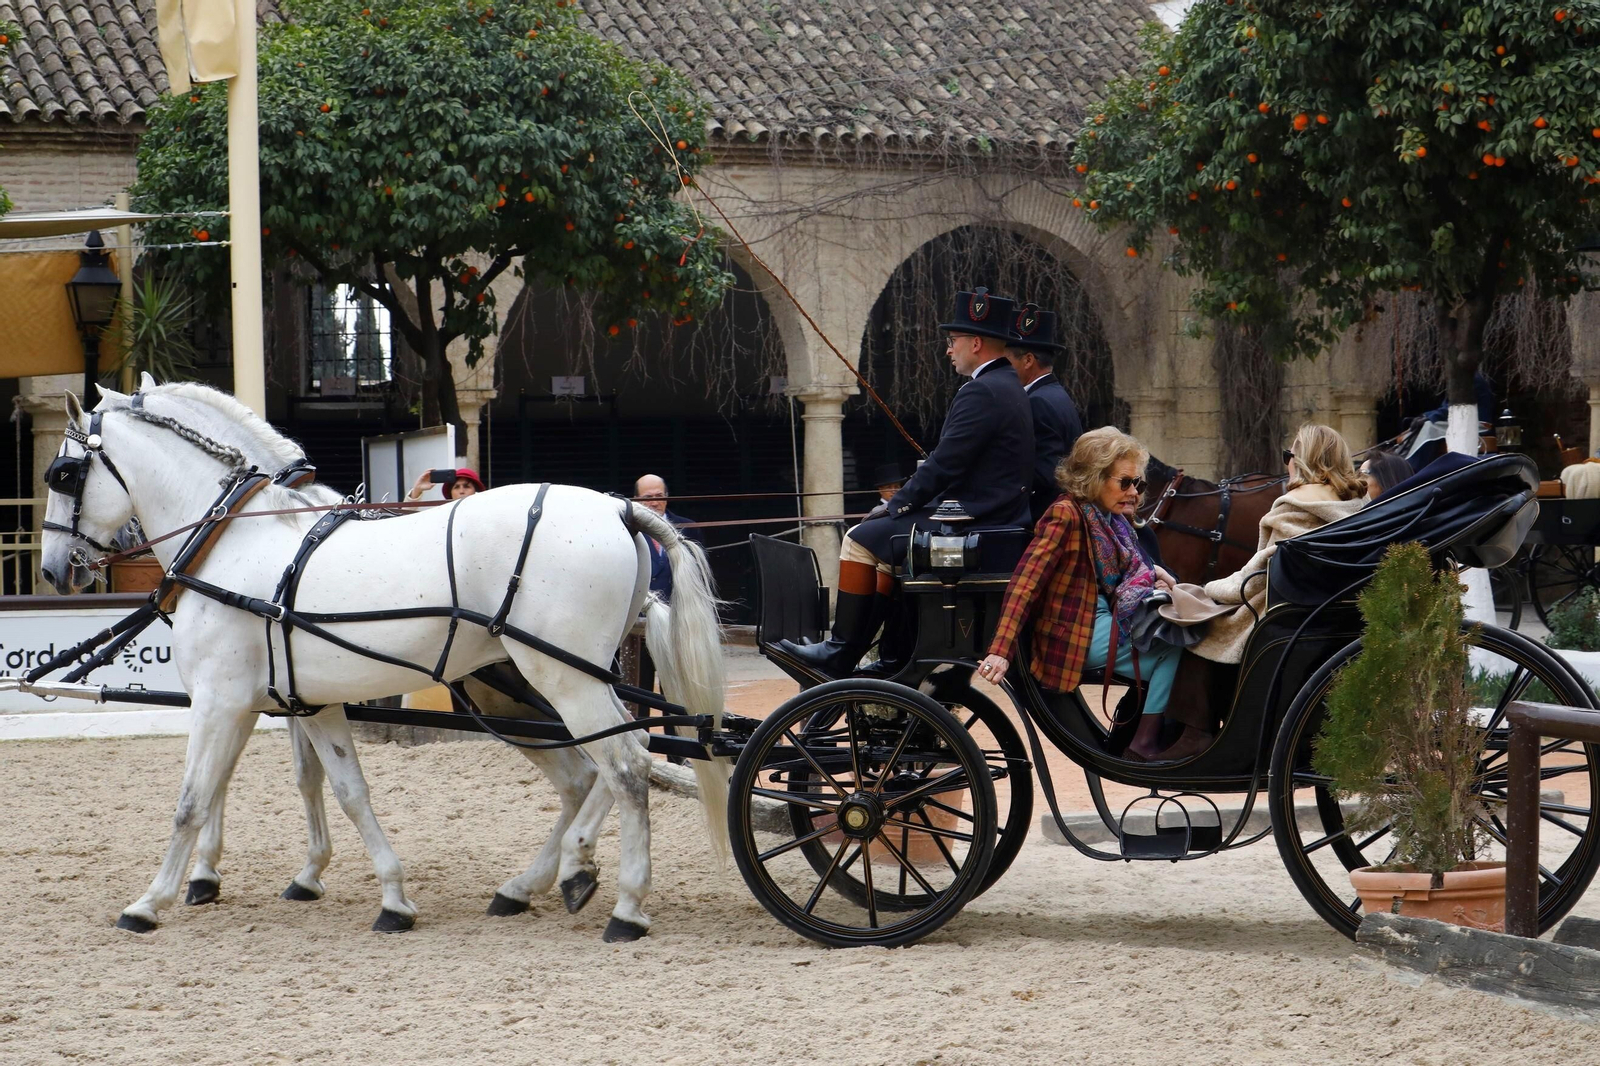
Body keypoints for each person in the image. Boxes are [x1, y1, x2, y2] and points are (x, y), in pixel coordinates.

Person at [777, 286, 1035, 677]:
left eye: (953, 342)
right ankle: (892, 653)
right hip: (990, 517)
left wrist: (897, 504)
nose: (949, 350)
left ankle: (842, 649)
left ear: (976, 343)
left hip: (976, 523)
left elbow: (944, 465)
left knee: (860, 539)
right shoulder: (1008, 386)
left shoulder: (982, 391)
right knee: (886, 544)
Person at [978, 427, 1188, 761]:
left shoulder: (1113, 520)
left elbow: (1130, 574)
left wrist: (1156, 578)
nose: (1134, 492)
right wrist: (1000, 650)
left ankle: (1142, 735)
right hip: (1075, 632)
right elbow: (1026, 581)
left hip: (1107, 619)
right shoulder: (1067, 514)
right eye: (1125, 482)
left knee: (1186, 643)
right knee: (1175, 647)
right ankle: (1144, 742)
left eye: (1139, 483)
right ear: (1093, 476)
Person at [1185, 424, 1367, 668]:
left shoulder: (1293, 508)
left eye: (1287, 457)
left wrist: (1206, 589)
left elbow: (1254, 580)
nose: (1286, 464)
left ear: (1301, 461)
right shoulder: (1361, 505)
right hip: (1342, 615)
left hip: (1290, 617)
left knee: (1193, 631)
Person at [1007, 302, 1084, 522]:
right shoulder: (1055, 394)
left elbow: (1046, 474)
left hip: (1045, 519)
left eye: (1008, 360)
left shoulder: (1037, 402)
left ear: (1028, 360)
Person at [633, 474, 702, 603]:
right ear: (636, 500)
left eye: (659, 496)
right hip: (642, 613)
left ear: (667, 496)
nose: (654, 503)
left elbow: (701, 577)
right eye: (648, 498)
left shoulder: (689, 528)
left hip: (681, 610)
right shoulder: (629, 531)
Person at [407, 467, 485, 501]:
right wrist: (417, 490)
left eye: (467, 486)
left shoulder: (485, 512)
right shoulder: (442, 514)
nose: (461, 491)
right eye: (456, 487)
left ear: (475, 491)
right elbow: (405, 518)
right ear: (450, 493)